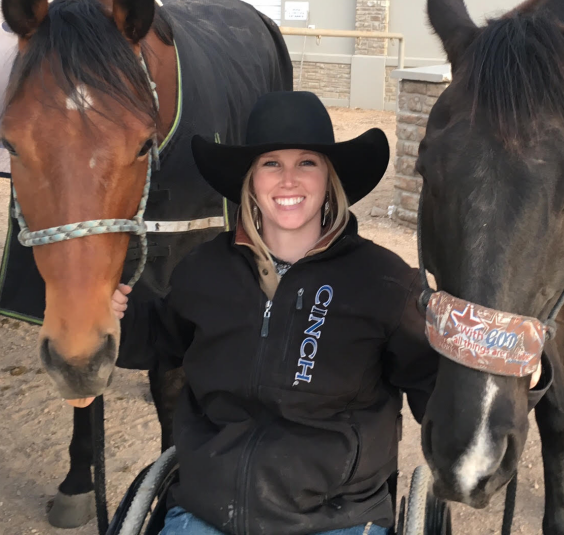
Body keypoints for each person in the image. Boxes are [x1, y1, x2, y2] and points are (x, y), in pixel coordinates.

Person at [113, 91, 438, 535]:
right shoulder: (204, 270)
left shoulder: (385, 283)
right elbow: (158, 335)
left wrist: (513, 372)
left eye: (307, 162)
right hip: (207, 510)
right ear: (250, 180)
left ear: (329, 179)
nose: (288, 179)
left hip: (335, 517)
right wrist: (109, 315)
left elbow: (441, 392)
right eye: (270, 163)